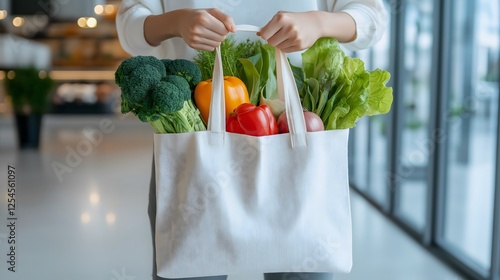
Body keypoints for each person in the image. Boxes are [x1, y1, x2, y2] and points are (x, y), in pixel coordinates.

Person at [116, 1, 387, 280]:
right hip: (194, 130)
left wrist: (318, 23)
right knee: (190, 265)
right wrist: (176, 22)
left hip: (298, 128)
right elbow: (129, 27)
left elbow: (373, 19)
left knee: (301, 269)